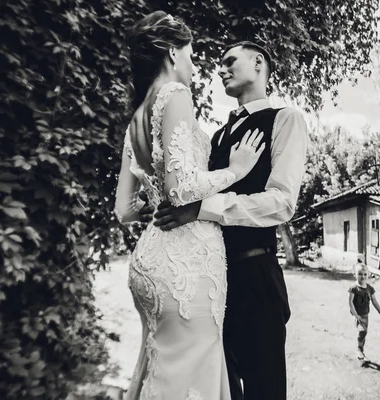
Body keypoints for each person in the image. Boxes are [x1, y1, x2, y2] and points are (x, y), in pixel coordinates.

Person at [143, 41, 307, 400]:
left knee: (264, 392)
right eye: (220, 64)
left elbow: (281, 203)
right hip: (208, 283)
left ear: (259, 62)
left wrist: (202, 209)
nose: (221, 70)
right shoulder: (217, 137)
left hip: (255, 279)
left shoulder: (285, 119)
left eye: (230, 61)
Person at [114, 11, 266, 399]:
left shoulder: (136, 117)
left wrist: (154, 201)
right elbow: (182, 191)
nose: (195, 65)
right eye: (191, 54)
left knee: (161, 370)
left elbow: (124, 210)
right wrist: (235, 170)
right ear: (170, 52)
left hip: (149, 261)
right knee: (189, 378)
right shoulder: (174, 95)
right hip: (186, 267)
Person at [348, 263, 380, 365]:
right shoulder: (354, 288)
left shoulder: (370, 289)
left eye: (365, 274)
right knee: (362, 331)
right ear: (355, 274)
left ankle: (361, 351)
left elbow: (375, 302)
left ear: (368, 274)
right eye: (360, 274)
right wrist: (356, 315)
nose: (363, 276)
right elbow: (350, 302)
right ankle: (359, 349)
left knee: (364, 333)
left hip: (366, 315)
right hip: (357, 315)